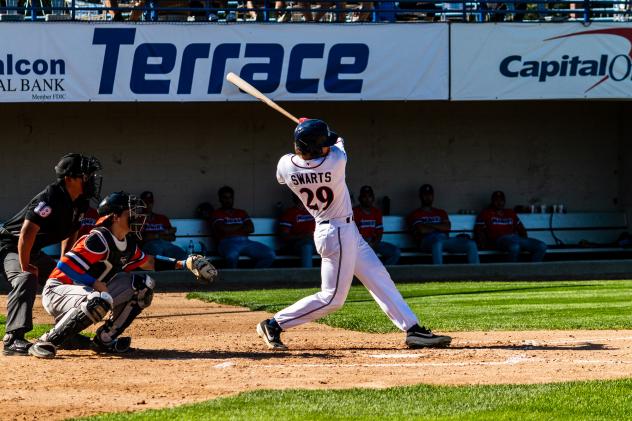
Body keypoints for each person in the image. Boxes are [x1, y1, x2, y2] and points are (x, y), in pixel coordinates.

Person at [256, 118, 451, 351]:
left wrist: (306, 132)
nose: (327, 145)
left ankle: (412, 329)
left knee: (377, 275)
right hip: (336, 233)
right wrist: (309, 123)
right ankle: (274, 324)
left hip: (341, 231)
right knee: (333, 298)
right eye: (322, 143)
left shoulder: (286, 165)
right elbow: (338, 138)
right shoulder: (335, 160)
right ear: (316, 148)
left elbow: (288, 168)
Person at [27, 191, 216, 358]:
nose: (137, 216)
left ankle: (105, 339)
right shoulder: (98, 239)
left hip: (88, 294)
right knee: (100, 298)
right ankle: (45, 341)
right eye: (130, 212)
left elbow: (148, 262)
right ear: (115, 216)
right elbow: (65, 266)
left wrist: (184, 263)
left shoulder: (127, 244)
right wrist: (93, 282)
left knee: (143, 285)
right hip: (58, 292)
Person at [1, 153, 102, 356]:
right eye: (85, 176)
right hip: (8, 246)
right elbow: (26, 232)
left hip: (30, 249)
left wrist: (66, 265)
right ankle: (13, 338)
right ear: (69, 179)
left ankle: (65, 333)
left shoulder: (80, 202)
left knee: (64, 281)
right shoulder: (50, 197)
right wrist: (24, 263)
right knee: (26, 277)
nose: (90, 180)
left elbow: (71, 232)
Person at [407, 184, 479, 265]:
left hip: (445, 240)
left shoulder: (441, 212)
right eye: (425, 194)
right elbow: (422, 230)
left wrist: (429, 225)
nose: (428, 197)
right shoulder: (415, 214)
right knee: (438, 243)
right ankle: (439, 274)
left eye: (430, 194)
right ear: (420, 196)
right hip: (426, 242)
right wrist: (439, 226)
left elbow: (447, 228)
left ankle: (477, 274)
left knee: (471, 244)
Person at [210, 186, 276, 268]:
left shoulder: (241, 212)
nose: (228, 200)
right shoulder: (216, 213)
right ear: (220, 199)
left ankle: (254, 278)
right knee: (232, 256)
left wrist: (231, 228)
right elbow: (224, 229)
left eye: (230, 197)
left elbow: (251, 229)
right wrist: (241, 225)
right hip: (227, 243)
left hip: (246, 242)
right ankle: (232, 279)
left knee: (269, 254)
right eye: (225, 198)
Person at [474, 190, 547, 262]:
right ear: (492, 201)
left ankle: (532, 271)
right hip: (498, 240)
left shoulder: (510, 212)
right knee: (515, 247)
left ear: (504, 201)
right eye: (496, 200)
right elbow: (478, 230)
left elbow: (521, 229)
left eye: (501, 200)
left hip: (515, 239)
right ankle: (511, 272)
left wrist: (524, 243)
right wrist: (483, 244)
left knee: (542, 246)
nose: (499, 203)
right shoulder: (486, 213)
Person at [353, 185, 400, 265]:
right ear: (360, 198)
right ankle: (377, 274)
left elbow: (379, 232)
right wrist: (366, 243)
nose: (367, 199)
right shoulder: (354, 212)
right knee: (372, 258)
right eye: (364, 196)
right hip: (360, 245)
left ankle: (385, 272)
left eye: (370, 196)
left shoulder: (377, 212)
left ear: (373, 198)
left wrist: (375, 243)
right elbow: (353, 233)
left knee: (395, 252)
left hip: (375, 243)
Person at [139, 190, 187, 260]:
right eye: (145, 202)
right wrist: (163, 233)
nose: (148, 205)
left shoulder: (162, 218)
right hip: (148, 246)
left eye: (150, 202)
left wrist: (155, 235)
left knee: (180, 253)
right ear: (140, 203)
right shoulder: (137, 218)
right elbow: (144, 238)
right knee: (158, 253)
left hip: (165, 245)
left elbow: (172, 237)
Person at [278, 194, 316, 268]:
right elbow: (284, 236)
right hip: (298, 244)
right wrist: (303, 236)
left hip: (317, 243)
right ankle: (307, 277)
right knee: (307, 246)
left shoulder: (315, 212)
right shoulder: (289, 213)